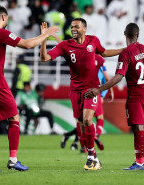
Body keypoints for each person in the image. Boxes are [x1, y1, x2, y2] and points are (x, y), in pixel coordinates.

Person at [0, 5, 59, 172]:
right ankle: (13, 160)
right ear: (4, 18)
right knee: (14, 118)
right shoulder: (2, 33)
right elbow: (27, 45)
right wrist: (45, 35)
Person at [40, 18, 124, 170]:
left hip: (92, 89)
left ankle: (91, 157)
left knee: (87, 120)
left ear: (84, 29)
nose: (73, 29)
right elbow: (44, 58)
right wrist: (44, 38)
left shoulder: (93, 41)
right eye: (72, 27)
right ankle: (93, 157)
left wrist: (122, 50)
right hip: (75, 91)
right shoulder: (65, 45)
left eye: (76, 27)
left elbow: (104, 52)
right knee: (82, 124)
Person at [85, 23, 144, 170]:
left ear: (125, 33)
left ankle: (139, 163)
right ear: (138, 35)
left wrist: (99, 89)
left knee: (138, 127)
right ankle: (141, 161)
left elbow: (119, 77)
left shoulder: (126, 53)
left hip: (137, 94)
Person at [61, 55, 114, 152]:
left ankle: (84, 146)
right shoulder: (99, 62)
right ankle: (96, 135)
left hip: (77, 92)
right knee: (99, 118)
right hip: (94, 92)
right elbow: (106, 79)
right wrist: (108, 92)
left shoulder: (80, 58)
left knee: (80, 121)